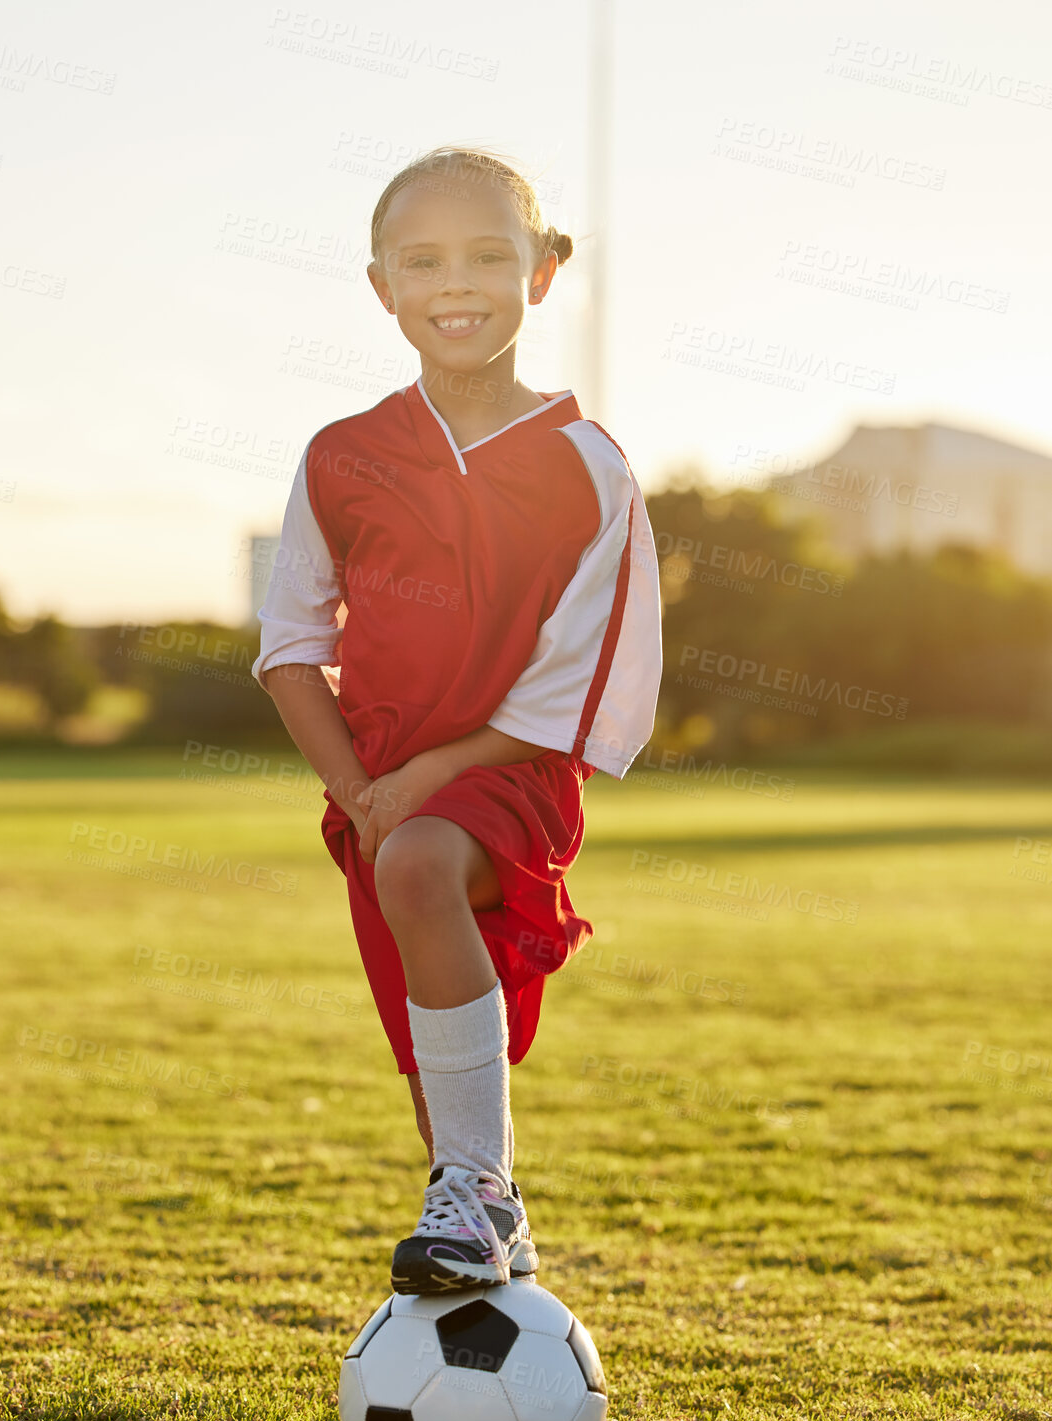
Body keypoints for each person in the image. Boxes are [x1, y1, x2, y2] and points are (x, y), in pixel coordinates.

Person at [254, 145, 663, 1295]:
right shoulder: (340, 456)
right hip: (372, 794)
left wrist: (425, 782)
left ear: (543, 271)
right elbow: (291, 648)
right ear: (381, 284)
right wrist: (359, 792)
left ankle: (483, 1193)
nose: (458, 282)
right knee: (433, 1066)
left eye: (490, 254)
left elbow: (578, 684)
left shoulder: (591, 469)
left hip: (506, 781)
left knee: (429, 862)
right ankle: (478, 1225)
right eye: (423, 259)